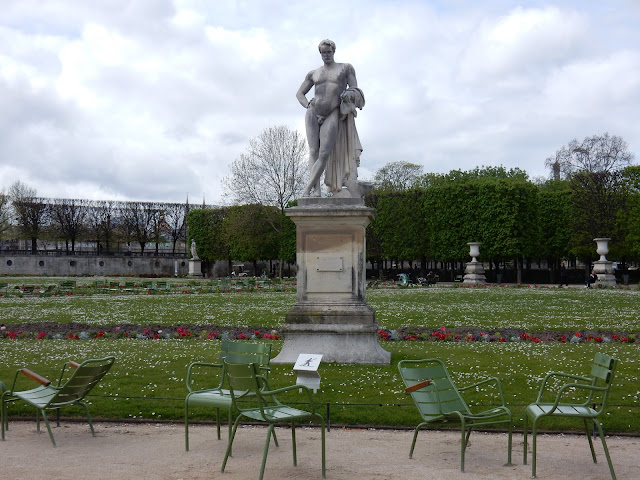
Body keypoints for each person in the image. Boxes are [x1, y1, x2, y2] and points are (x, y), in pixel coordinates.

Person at [296, 39, 367, 197]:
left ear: (333, 52)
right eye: (323, 52)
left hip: (332, 112)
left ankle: (306, 189)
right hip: (313, 112)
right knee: (313, 151)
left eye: (329, 52)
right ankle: (316, 190)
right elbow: (299, 93)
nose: (326, 55)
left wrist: (350, 94)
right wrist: (307, 104)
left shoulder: (345, 68)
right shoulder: (313, 73)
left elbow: (355, 89)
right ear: (320, 53)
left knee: (324, 153)